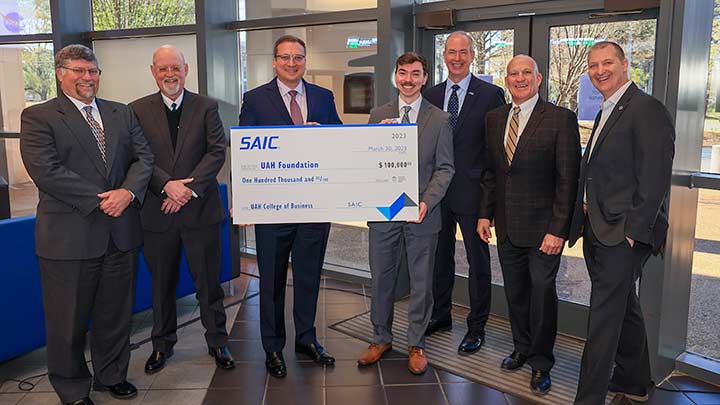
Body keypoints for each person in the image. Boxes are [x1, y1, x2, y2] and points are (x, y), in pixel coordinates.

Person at [19, 44, 153, 405]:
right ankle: (73, 389)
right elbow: (46, 172)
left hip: (120, 233)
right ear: (60, 73)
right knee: (68, 322)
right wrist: (104, 199)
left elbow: (144, 158)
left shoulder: (121, 113)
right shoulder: (38, 116)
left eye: (92, 71)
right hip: (69, 237)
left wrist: (127, 193)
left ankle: (112, 376)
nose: (87, 77)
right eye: (79, 70)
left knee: (115, 314)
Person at [569, 41, 675, 405]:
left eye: (608, 63)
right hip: (599, 228)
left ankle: (588, 399)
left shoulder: (647, 110)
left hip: (622, 234)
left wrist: (632, 234)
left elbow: (655, 178)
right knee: (623, 308)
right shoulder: (607, 109)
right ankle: (634, 380)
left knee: (602, 318)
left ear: (625, 63)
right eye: (594, 65)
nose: (600, 70)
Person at [238, 34, 342, 379]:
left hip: (314, 205)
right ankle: (272, 346)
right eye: (285, 58)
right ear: (274, 61)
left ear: (305, 61)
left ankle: (306, 339)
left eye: (298, 57)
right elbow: (243, 152)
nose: (292, 63)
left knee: (310, 276)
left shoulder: (324, 98)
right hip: (272, 208)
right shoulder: (254, 99)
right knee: (271, 280)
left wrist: (321, 136)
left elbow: (340, 140)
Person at [477, 55, 580, 395]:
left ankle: (541, 362)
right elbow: (491, 173)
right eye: (513, 74)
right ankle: (521, 347)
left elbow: (568, 180)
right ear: (506, 80)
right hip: (507, 227)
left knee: (541, 295)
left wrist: (558, 229)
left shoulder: (561, 119)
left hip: (543, 231)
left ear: (538, 78)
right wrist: (484, 214)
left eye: (526, 73)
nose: (519, 79)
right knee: (516, 294)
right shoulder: (494, 119)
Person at [130, 45, 234, 374]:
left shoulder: (206, 107)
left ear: (186, 69)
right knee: (161, 285)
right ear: (153, 71)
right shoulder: (136, 110)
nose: (169, 74)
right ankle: (162, 345)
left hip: (199, 211)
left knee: (209, 283)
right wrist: (167, 186)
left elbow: (216, 152)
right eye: (163, 68)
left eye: (175, 67)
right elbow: (138, 156)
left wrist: (186, 189)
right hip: (157, 213)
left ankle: (218, 340)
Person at [357, 52, 454, 375]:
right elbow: (368, 162)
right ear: (395, 76)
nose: (408, 80)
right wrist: (378, 138)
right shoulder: (377, 115)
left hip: (422, 215)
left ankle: (416, 343)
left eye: (415, 74)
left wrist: (427, 201)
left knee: (422, 282)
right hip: (384, 212)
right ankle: (380, 338)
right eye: (403, 73)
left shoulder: (439, 119)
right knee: (381, 277)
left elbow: (445, 168)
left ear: (425, 78)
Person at [423, 31, 506, 353]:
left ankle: (477, 327)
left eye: (463, 52)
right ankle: (441, 315)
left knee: (478, 263)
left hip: (473, 196)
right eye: (451, 52)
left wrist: (489, 204)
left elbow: (494, 154)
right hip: (437, 195)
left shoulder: (490, 94)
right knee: (439, 260)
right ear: (444, 55)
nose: (457, 58)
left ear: (473, 56)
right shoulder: (429, 95)